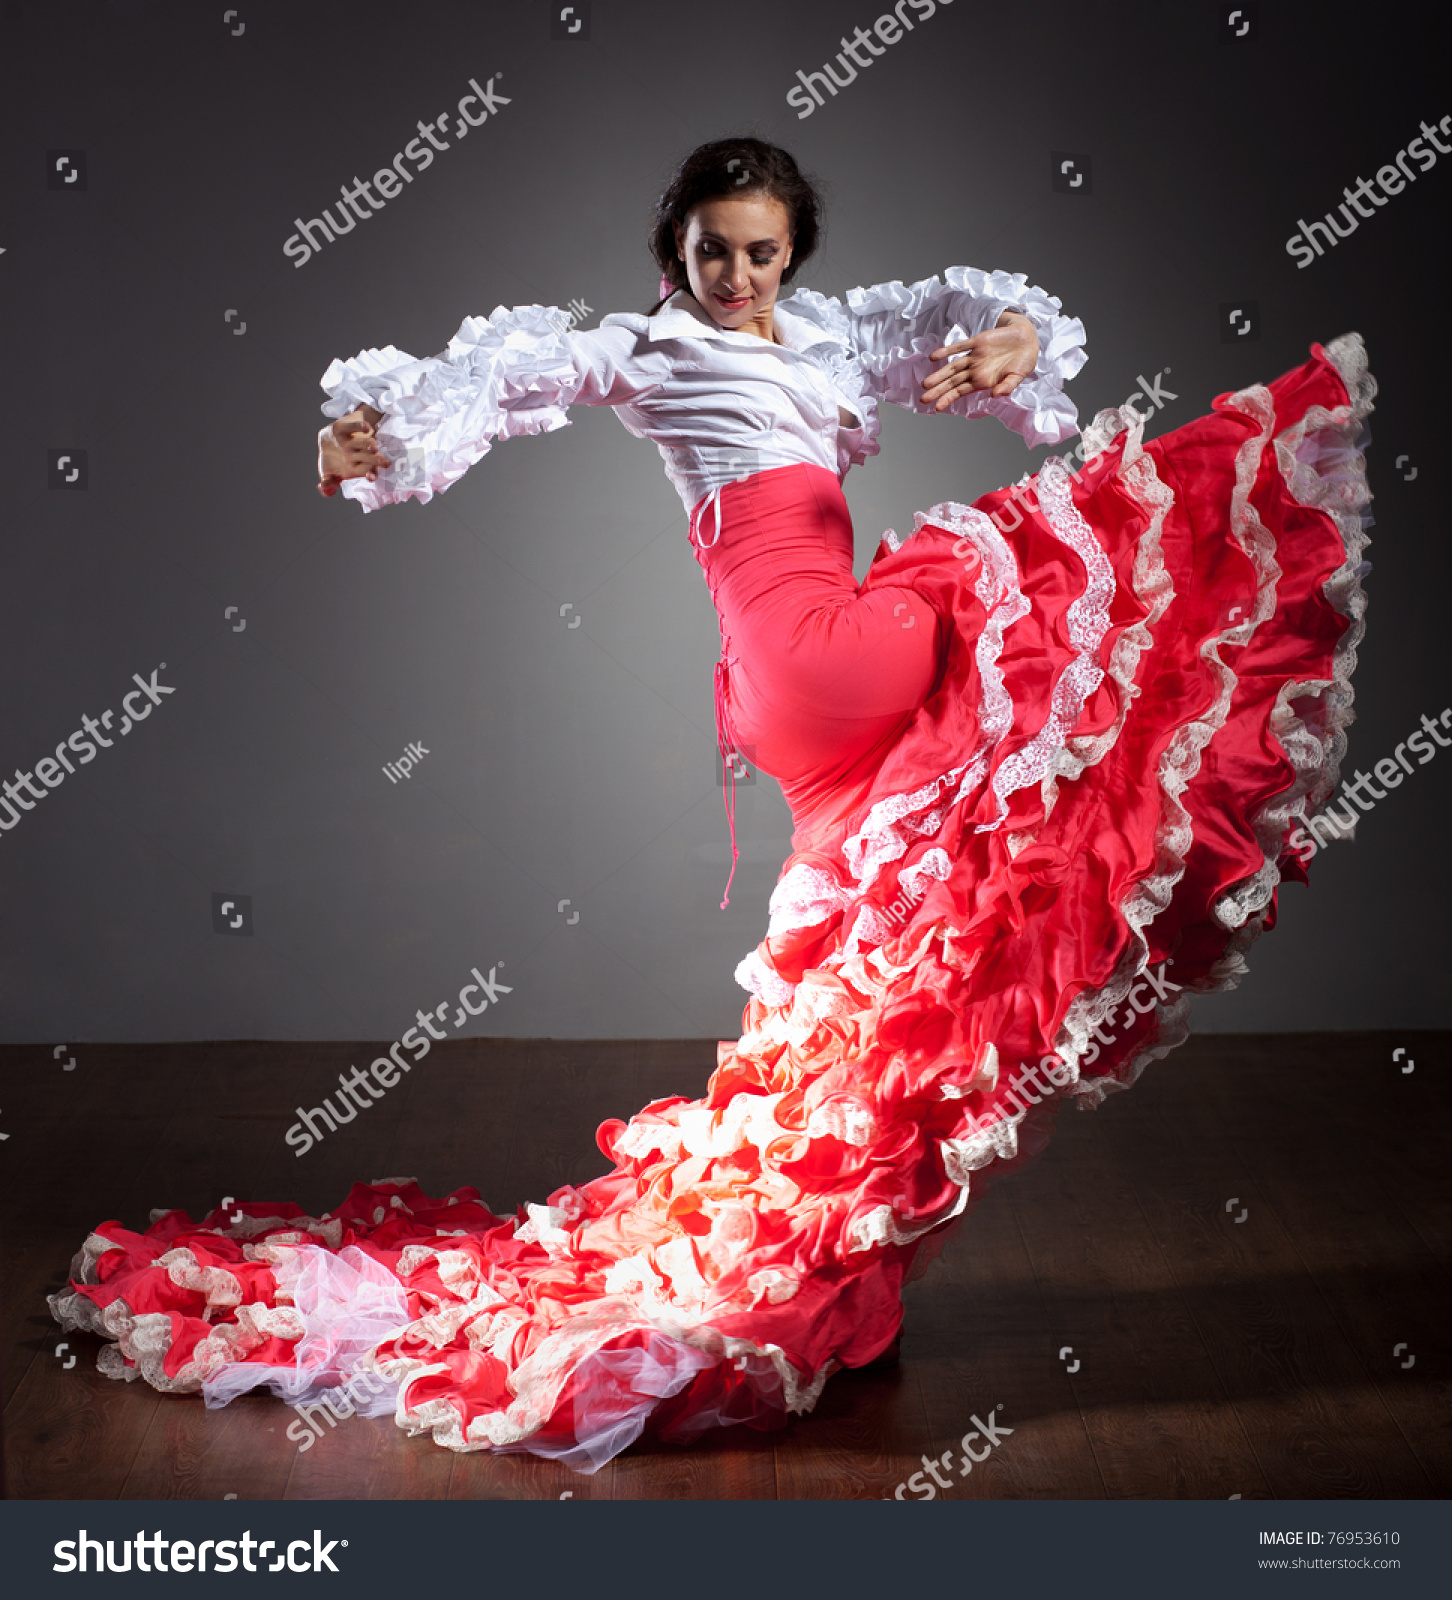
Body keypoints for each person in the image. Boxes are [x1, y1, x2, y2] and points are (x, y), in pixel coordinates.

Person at [51, 138, 1375, 1473]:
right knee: (1047, 589)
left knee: (887, 936)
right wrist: (377, 435)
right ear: (670, 249)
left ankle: (827, 1244)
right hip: (816, 652)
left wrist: (1009, 347)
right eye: (710, 251)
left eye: (760, 251)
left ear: (794, 250)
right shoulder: (653, 349)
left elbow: (957, 321)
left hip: (811, 687)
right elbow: (511, 376)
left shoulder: (834, 336)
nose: (735, 275)